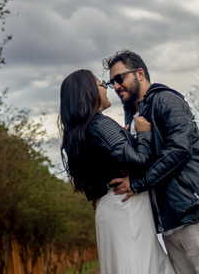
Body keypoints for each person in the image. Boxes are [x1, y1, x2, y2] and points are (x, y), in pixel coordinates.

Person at [104, 49, 199, 274]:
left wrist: (138, 183)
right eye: (111, 82)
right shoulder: (133, 117)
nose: (116, 86)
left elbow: (179, 150)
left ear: (140, 73)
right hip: (171, 225)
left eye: (120, 78)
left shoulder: (166, 99)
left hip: (197, 215)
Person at [59, 69, 173, 274]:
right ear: (88, 92)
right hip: (126, 205)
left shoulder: (78, 134)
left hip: (109, 207)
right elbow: (138, 162)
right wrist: (143, 134)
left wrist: (127, 137)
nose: (106, 87)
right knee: (140, 266)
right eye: (100, 83)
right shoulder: (100, 124)